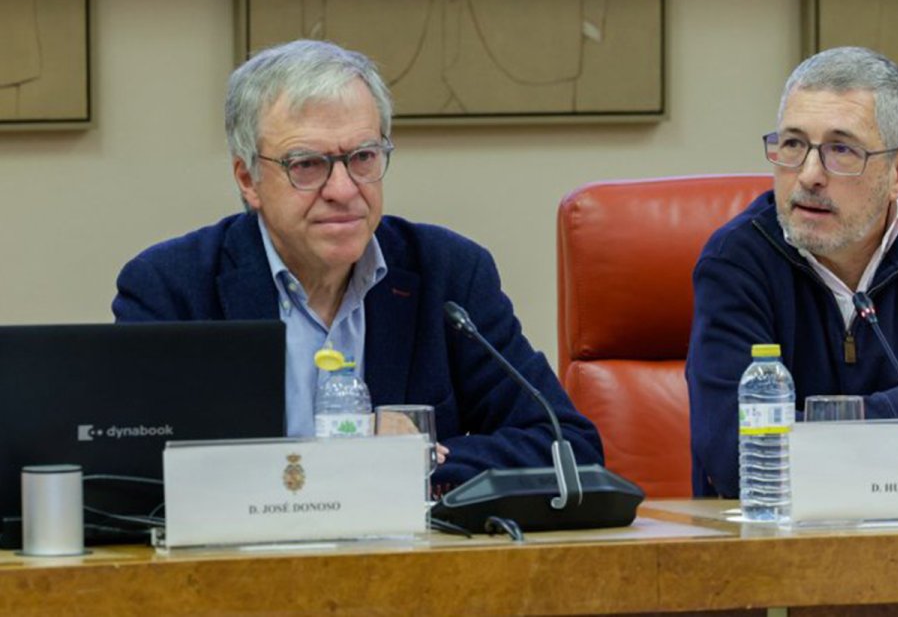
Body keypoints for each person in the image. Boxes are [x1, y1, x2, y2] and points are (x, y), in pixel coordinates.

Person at [113, 39, 603, 491]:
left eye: (363, 157)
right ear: (248, 179)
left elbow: (568, 446)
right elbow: (131, 472)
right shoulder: (172, 288)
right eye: (306, 164)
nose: (344, 189)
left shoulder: (448, 274)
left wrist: (421, 458)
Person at [686, 46, 898, 498]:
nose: (809, 174)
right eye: (792, 144)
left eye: (841, 150)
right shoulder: (737, 262)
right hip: (773, 551)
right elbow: (741, 462)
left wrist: (811, 432)